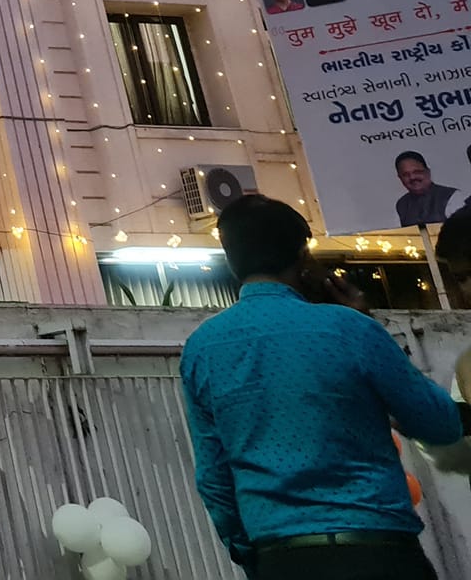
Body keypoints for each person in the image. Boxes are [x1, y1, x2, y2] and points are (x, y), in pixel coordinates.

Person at [181, 194, 465, 577]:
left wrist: (254, 555)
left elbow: (213, 478)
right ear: (303, 256)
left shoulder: (202, 348)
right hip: (380, 552)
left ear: (231, 259)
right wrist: (370, 329)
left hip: (282, 558)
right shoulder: (350, 328)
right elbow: (440, 424)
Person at [393, 151, 456, 227]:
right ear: (400, 178)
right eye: (406, 175)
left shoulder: (452, 197)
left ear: (428, 172)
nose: (412, 177)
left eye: (417, 172)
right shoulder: (401, 205)